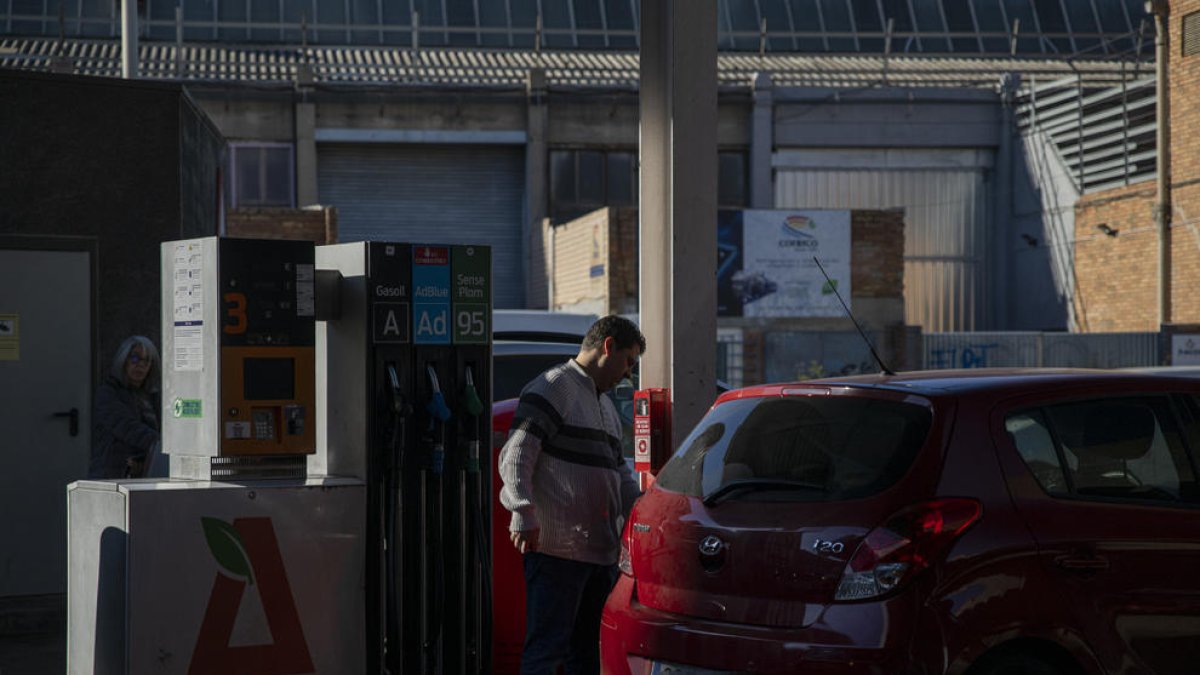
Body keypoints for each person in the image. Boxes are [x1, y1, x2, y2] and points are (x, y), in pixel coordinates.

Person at [499, 315, 645, 675]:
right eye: (628, 361)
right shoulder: (553, 387)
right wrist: (522, 510)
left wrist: (643, 515)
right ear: (607, 346)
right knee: (548, 650)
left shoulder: (607, 408)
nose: (628, 374)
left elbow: (619, 473)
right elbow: (517, 452)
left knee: (588, 654)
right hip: (557, 552)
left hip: (598, 555)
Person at [89, 335, 162, 479]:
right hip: (111, 473)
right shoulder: (109, 392)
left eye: (146, 361)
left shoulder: (152, 395)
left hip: (146, 472)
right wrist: (161, 445)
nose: (140, 365)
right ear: (123, 360)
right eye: (135, 358)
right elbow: (127, 427)